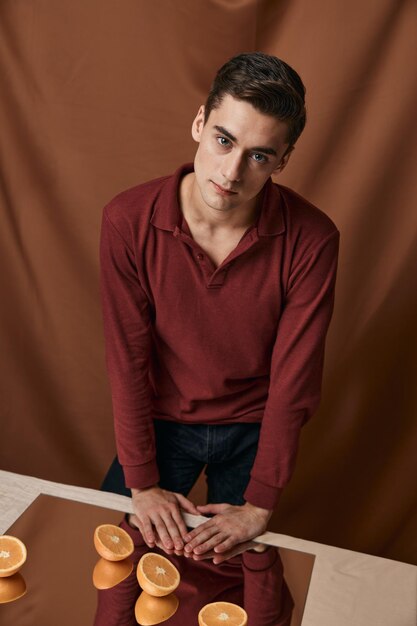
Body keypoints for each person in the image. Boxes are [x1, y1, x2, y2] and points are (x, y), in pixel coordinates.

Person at [98, 51, 339, 623]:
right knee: (114, 568)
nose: (232, 174)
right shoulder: (127, 220)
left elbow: (293, 381)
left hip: (255, 427)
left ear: (283, 160)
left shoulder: (312, 239)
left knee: (236, 588)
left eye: (259, 155)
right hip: (160, 424)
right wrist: (141, 483)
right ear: (200, 123)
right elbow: (127, 360)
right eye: (225, 141)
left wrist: (260, 503)